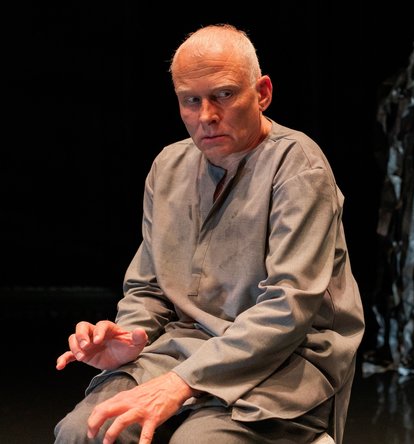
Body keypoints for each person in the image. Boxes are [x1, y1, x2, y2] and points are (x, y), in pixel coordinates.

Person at [54, 23, 365, 444]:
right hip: (181, 350)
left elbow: (288, 308)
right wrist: (132, 335)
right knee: (84, 432)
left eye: (223, 95)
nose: (206, 116)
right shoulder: (169, 167)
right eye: (191, 100)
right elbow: (150, 288)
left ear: (262, 93)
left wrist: (183, 382)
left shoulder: (298, 168)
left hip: (284, 362)